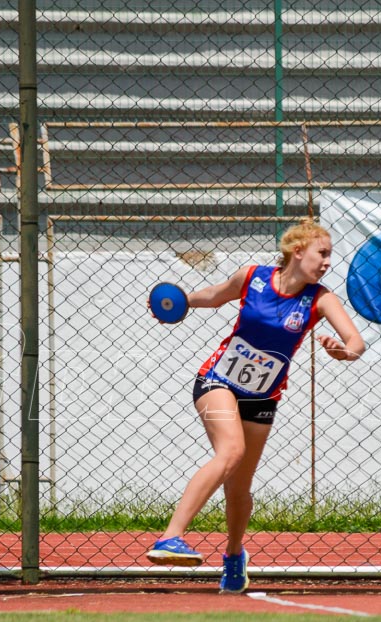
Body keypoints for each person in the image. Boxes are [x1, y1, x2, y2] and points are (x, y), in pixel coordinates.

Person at [146, 219, 365, 594]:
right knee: (230, 450)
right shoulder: (253, 277)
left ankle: (233, 555)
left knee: (238, 486)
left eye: (330, 255)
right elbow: (215, 296)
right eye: (322, 253)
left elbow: (356, 342)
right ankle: (171, 536)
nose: (328, 262)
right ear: (298, 252)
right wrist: (179, 301)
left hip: (263, 397)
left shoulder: (320, 298)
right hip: (217, 380)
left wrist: (343, 352)